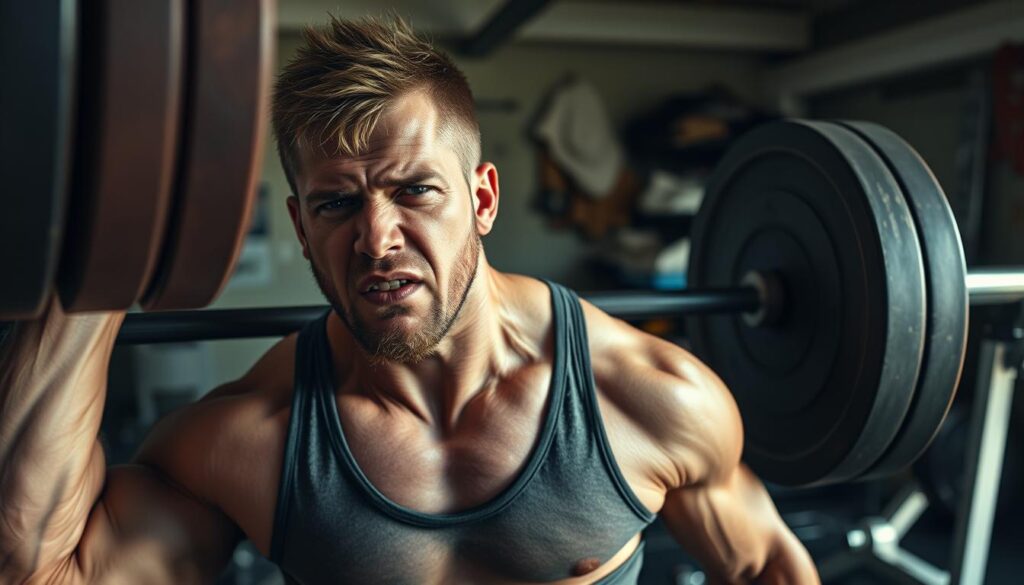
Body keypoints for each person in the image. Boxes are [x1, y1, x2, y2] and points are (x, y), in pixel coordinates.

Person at [0, 15, 819, 585]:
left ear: (483, 198)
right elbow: (37, 565)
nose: (376, 237)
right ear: (301, 225)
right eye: (337, 203)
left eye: (415, 190)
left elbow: (762, 566)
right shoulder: (254, 439)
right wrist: (100, 262)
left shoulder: (647, 399)